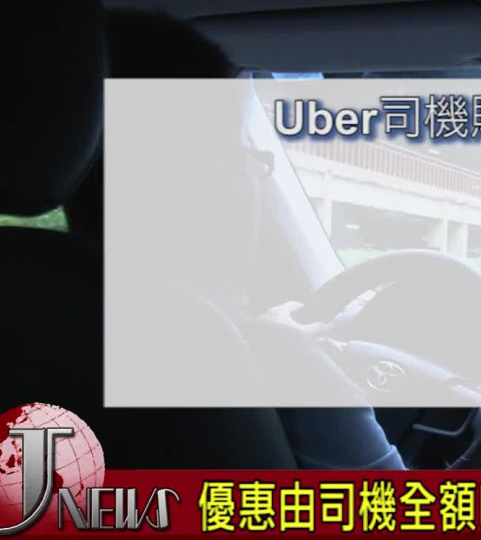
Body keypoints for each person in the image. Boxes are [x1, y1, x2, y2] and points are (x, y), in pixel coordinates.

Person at [68, 9, 406, 470]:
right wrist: (276, 350)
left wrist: (257, 332)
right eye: (242, 150)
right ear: (209, 176)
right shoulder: (270, 363)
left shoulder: (12, 305)